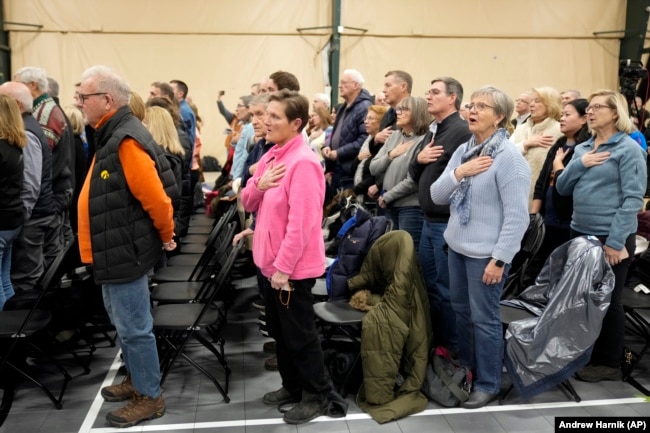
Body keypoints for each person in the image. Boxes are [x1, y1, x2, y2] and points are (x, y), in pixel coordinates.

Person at [76, 65, 177, 428]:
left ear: (106, 99)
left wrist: (167, 236)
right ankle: (138, 379)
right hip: (113, 247)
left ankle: (149, 396)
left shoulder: (125, 139)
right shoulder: (111, 133)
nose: (79, 102)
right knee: (125, 323)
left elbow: (157, 199)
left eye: (84, 96)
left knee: (134, 327)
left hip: (125, 250)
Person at [430, 86, 531, 409]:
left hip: (486, 255)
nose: (472, 111)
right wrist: (460, 172)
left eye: (482, 107)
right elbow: (437, 194)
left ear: (500, 117)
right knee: (462, 313)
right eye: (471, 105)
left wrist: (500, 260)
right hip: (457, 248)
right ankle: (470, 370)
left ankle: (489, 383)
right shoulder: (465, 151)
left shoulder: (509, 159)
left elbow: (518, 218)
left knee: (484, 318)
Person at [240, 89, 333, 424]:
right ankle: (292, 386)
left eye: (275, 116)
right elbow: (248, 202)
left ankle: (316, 394)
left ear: (296, 123)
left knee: (300, 335)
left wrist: (283, 268)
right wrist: (259, 184)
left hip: (291, 269)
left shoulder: (304, 163)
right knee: (279, 333)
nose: (266, 121)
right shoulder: (273, 155)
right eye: (267, 115)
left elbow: (303, 224)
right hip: (270, 265)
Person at [556, 90, 647, 382]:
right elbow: (562, 188)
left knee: (608, 301)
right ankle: (586, 353)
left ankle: (608, 363)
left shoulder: (628, 150)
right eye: (590, 107)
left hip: (611, 235)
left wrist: (616, 242)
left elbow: (633, 200)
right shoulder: (583, 149)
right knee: (583, 298)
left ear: (615, 113)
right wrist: (579, 165)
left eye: (597, 107)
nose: (591, 112)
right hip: (580, 231)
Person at [410, 77, 472, 350]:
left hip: (446, 223)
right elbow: (413, 174)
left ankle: (453, 350)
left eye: (435, 92)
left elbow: (465, 180)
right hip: (428, 222)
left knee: (448, 291)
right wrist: (418, 159)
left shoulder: (461, 131)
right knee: (431, 287)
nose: (428, 96)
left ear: (452, 98)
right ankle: (436, 344)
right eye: (428, 91)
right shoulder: (433, 131)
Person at [13, 66, 73, 288]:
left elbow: (36, 165)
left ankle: (37, 317)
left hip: (46, 199)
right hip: (54, 194)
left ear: (31, 86)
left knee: (35, 270)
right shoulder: (47, 109)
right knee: (49, 260)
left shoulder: (43, 114)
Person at [530, 99, 590, 266]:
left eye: (567, 115)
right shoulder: (559, 144)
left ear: (583, 119)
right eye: (562, 114)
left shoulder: (585, 149)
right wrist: (534, 217)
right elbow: (541, 181)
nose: (562, 119)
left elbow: (570, 185)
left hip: (567, 222)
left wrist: (559, 166)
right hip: (546, 220)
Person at [368, 96, 430, 249]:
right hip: (389, 204)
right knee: (390, 253)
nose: (398, 113)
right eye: (398, 109)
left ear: (417, 113)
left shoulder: (424, 140)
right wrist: (391, 155)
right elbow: (373, 167)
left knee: (406, 254)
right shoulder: (394, 136)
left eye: (404, 109)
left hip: (410, 207)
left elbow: (413, 179)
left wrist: (388, 196)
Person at [321, 69, 372, 193]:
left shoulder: (364, 107)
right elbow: (336, 134)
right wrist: (327, 146)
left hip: (350, 171)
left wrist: (338, 152)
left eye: (344, 83)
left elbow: (364, 139)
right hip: (338, 169)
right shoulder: (344, 106)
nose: (339, 86)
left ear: (356, 85)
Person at [510, 86, 563, 206]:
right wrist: (526, 144)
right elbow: (504, 154)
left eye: (537, 101)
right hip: (515, 196)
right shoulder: (521, 129)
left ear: (550, 104)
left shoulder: (559, 130)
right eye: (531, 101)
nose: (531, 105)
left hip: (544, 200)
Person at [0, 94, 27, 310]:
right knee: (5, 279)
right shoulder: (15, 145)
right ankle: (12, 330)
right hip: (12, 219)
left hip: (2, 221)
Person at [352, 104, 388, 204]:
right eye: (366, 118)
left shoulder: (382, 144)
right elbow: (353, 169)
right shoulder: (368, 141)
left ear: (381, 122)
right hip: (361, 194)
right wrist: (358, 159)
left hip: (371, 196)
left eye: (370, 118)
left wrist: (354, 191)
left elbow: (373, 174)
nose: (366, 121)